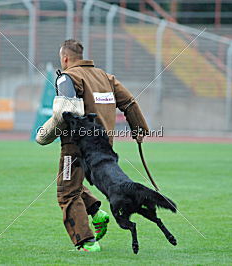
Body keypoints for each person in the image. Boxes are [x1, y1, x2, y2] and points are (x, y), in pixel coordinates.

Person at [37, 39, 149, 252]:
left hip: (76, 147)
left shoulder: (68, 77)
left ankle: (87, 242)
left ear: (65, 58)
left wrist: (44, 136)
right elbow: (130, 102)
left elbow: (64, 112)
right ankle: (97, 213)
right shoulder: (106, 77)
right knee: (72, 183)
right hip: (103, 149)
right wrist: (139, 129)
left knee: (67, 192)